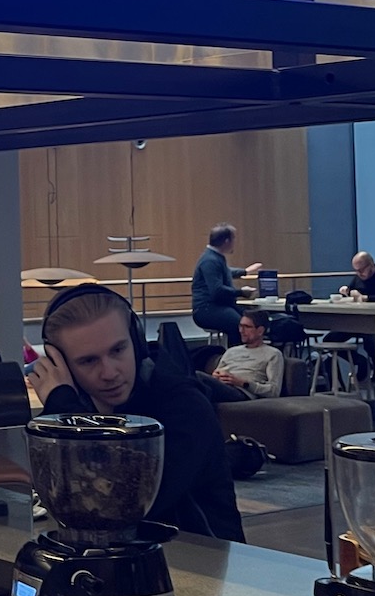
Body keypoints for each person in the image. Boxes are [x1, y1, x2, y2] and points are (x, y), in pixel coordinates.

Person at [32, 284, 244, 541]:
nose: (109, 373)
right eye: (88, 361)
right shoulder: (81, 407)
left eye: (118, 350)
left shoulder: (185, 406)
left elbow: (122, 504)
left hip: (198, 565)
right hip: (120, 562)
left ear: (137, 341)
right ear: (63, 364)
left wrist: (64, 412)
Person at [192, 223, 262, 342]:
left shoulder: (214, 257)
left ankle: (250, 353)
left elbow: (225, 271)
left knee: (254, 319)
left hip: (216, 306)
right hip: (207, 309)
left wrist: (245, 271)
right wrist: (241, 292)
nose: (235, 242)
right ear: (226, 241)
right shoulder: (210, 260)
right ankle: (235, 357)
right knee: (240, 326)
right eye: (233, 239)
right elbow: (217, 291)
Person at [212, 309, 285, 400]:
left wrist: (243, 383)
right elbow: (216, 373)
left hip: (241, 392)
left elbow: (274, 391)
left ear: (260, 331)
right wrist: (216, 376)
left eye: (246, 327)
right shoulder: (231, 351)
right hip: (220, 387)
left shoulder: (273, 354)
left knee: (199, 379)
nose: (241, 331)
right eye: (240, 326)